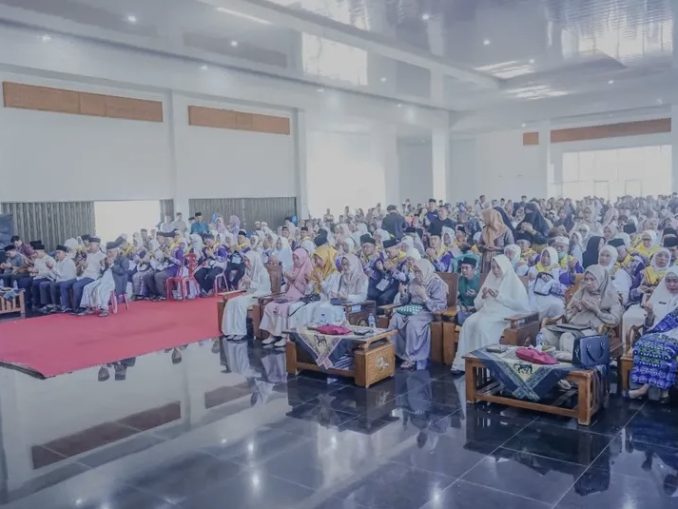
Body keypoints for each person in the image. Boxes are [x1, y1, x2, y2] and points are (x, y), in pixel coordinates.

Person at [450, 255, 530, 374]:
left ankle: (483, 366)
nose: (495, 270)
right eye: (493, 267)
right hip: (486, 311)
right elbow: (477, 305)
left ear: (505, 267)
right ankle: (463, 364)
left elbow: (522, 306)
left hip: (504, 315)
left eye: (498, 267)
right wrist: (483, 296)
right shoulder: (490, 279)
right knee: (468, 323)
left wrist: (499, 296)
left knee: (482, 326)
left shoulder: (515, 283)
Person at [538, 265, 623, 352]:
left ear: (601, 279)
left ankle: (566, 359)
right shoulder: (582, 291)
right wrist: (574, 310)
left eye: (592, 279)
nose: (588, 283)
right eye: (586, 279)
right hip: (572, 327)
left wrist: (596, 311)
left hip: (594, 330)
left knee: (567, 337)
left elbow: (615, 320)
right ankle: (551, 359)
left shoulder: (611, 296)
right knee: (545, 333)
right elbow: (568, 314)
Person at [628, 266, 678, 401]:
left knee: (664, 349)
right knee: (642, 344)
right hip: (657, 333)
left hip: (675, 335)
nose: (672, 284)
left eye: (675, 281)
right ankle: (649, 388)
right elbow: (649, 325)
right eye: (669, 281)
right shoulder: (658, 295)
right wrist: (650, 313)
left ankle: (649, 390)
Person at [390, 259, 448, 370]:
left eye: (419, 272)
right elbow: (407, 301)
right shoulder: (413, 281)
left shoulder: (436, 283)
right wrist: (402, 293)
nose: (416, 275)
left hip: (427, 310)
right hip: (412, 308)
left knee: (413, 323)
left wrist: (424, 297)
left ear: (425, 270)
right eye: (415, 272)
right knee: (395, 318)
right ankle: (395, 352)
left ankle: (411, 357)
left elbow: (439, 307)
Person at [260, 248, 313, 344]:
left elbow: (307, 292)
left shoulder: (308, 271)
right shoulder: (293, 268)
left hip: (300, 298)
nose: (295, 261)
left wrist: (294, 281)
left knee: (283, 309)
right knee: (270, 306)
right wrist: (288, 280)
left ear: (303, 258)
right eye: (294, 258)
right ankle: (272, 335)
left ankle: (284, 337)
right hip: (288, 296)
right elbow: (287, 288)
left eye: (297, 258)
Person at [221, 251, 272, 341]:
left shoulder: (263, 272)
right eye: (245, 261)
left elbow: (265, 288)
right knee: (231, 302)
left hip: (260, 296)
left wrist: (250, 283)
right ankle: (230, 331)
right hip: (250, 294)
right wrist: (244, 285)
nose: (246, 263)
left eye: (248, 261)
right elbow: (246, 287)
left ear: (254, 261)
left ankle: (240, 331)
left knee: (240, 303)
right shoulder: (248, 270)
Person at [527, 247, 566, 320]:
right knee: (532, 306)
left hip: (551, 295)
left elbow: (561, 288)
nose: (545, 258)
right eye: (543, 255)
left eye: (548, 256)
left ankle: (550, 322)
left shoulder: (557, 270)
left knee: (557, 305)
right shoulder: (534, 268)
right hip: (535, 294)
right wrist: (535, 277)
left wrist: (549, 281)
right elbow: (529, 284)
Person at [457, 255, 481, 324]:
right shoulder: (459, 280)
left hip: (476, 309)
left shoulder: (480, 280)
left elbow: (484, 299)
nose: (464, 270)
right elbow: (458, 297)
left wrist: (476, 295)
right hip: (463, 308)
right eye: (462, 268)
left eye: (466, 268)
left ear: (473, 269)